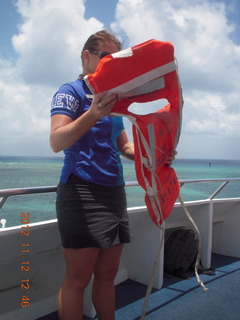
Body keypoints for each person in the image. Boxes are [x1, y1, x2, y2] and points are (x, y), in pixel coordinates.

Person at [50, 30, 176, 320]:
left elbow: (125, 147)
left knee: (107, 276)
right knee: (78, 279)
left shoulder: (115, 100)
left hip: (114, 192)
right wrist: (93, 113)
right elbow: (56, 142)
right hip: (81, 191)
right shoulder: (70, 92)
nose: (111, 65)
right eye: (106, 58)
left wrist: (153, 154)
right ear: (87, 56)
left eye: (115, 60)